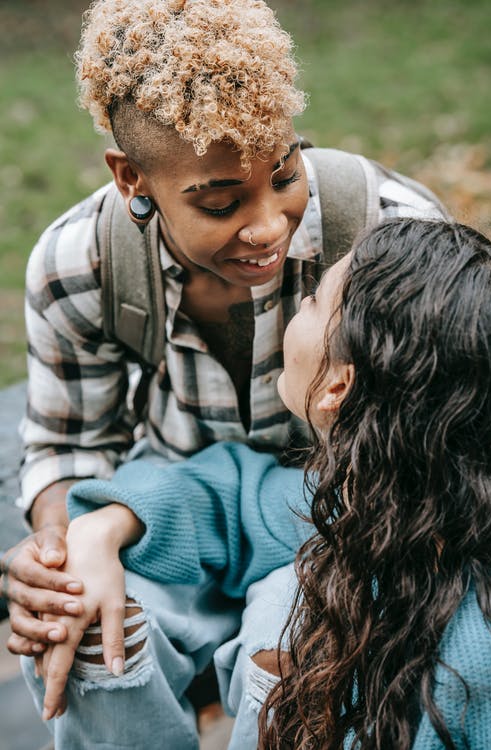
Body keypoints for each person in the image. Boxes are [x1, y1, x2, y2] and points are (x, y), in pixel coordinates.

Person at [0, 0, 446, 746]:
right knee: (81, 629)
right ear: (131, 178)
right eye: (220, 201)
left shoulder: (389, 240)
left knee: (297, 658)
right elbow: (66, 444)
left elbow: (438, 464)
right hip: (170, 513)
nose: (270, 225)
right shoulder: (78, 266)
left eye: (284, 173)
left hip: (342, 523)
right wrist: (62, 554)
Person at [27, 218, 491, 750]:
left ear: (337, 387)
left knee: (289, 628)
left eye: (315, 300)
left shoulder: (481, 651)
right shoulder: (380, 496)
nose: (298, 305)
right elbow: (236, 497)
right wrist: (98, 530)